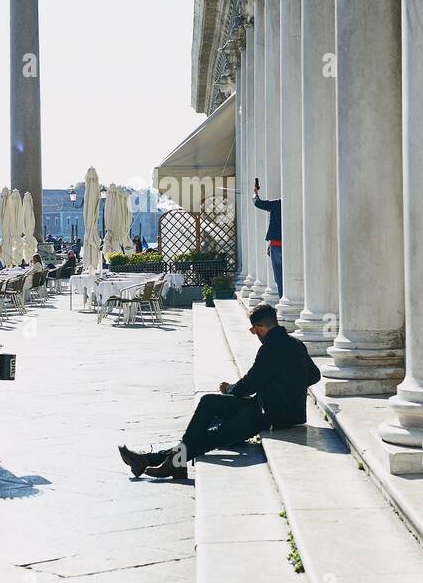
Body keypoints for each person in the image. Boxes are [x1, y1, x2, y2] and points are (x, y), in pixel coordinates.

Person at [118, 303, 321, 478]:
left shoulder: (270, 349)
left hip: (269, 416)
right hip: (275, 409)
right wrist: (288, 384)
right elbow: (314, 375)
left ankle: (163, 461)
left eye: (253, 331)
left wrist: (229, 389)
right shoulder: (296, 344)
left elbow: (249, 385)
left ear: (259, 328)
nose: (254, 335)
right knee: (208, 403)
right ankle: (157, 460)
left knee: (212, 435)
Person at [253, 183, 283, 297]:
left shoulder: (277, 204)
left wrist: (255, 192)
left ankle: (283, 298)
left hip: (277, 244)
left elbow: (258, 203)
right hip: (291, 245)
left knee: (279, 276)